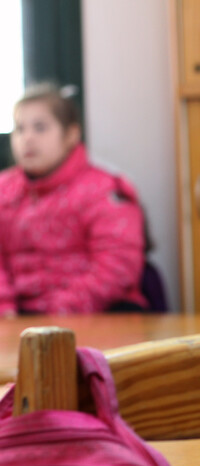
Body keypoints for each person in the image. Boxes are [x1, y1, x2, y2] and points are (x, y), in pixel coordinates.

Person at [0, 84, 147, 316]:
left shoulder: (104, 189)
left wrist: (60, 312)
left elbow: (117, 265)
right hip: (18, 319)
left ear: (71, 135)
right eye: (19, 129)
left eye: (40, 127)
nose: (27, 138)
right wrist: (5, 310)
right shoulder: (3, 189)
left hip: (95, 315)